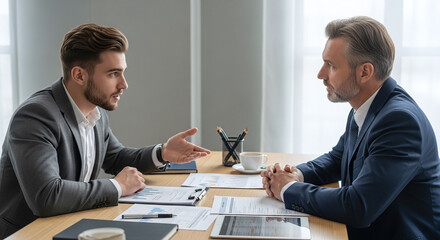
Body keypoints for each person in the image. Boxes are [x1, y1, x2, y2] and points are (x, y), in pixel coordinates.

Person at [0, 23, 210, 238]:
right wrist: (117, 186)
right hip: (31, 233)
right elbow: (47, 196)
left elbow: (115, 157)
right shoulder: (36, 116)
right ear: (79, 75)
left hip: (71, 223)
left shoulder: (95, 112)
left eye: (123, 72)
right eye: (113, 74)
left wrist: (162, 152)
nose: (124, 84)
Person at [261, 16, 440, 239]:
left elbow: (358, 206)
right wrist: (296, 174)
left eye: (331, 65)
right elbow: (338, 158)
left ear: (365, 72)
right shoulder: (368, 105)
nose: (321, 74)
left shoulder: (399, 121)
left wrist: (288, 189)